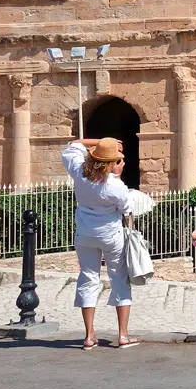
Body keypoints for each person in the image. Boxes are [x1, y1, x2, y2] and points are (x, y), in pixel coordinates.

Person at [62, 137, 140, 350]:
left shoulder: (79, 172)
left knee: (88, 278)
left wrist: (102, 141)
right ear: (112, 164)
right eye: (119, 160)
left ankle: (89, 336)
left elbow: (74, 144)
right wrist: (118, 175)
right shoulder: (116, 186)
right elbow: (126, 209)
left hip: (85, 233)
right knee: (119, 278)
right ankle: (123, 335)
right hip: (110, 235)